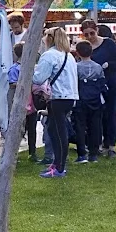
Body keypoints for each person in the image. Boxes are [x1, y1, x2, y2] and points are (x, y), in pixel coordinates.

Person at [32, 27, 77, 178]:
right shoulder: (68, 55)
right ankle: (57, 163)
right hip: (69, 97)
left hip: (57, 97)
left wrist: (27, 72)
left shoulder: (49, 55)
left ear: (50, 38)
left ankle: (59, 167)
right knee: (54, 129)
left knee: (58, 133)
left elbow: (38, 78)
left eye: (45, 35)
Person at [81, 19, 116, 158]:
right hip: (93, 87)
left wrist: (107, 65)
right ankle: (96, 144)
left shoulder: (108, 43)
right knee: (96, 116)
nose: (90, 37)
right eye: (86, 35)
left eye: (92, 33)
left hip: (110, 83)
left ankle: (110, 145)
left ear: (97, 30)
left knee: (110, 114)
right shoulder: (86, 47)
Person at [72, 40, 106, 164]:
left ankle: (82, 154)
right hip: (96, 99)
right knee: (95, 126)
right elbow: (102, 83)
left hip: (81, 99)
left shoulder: (76, 67)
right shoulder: (98, 67)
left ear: (77, 53)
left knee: (80, 126)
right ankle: (93, 154)